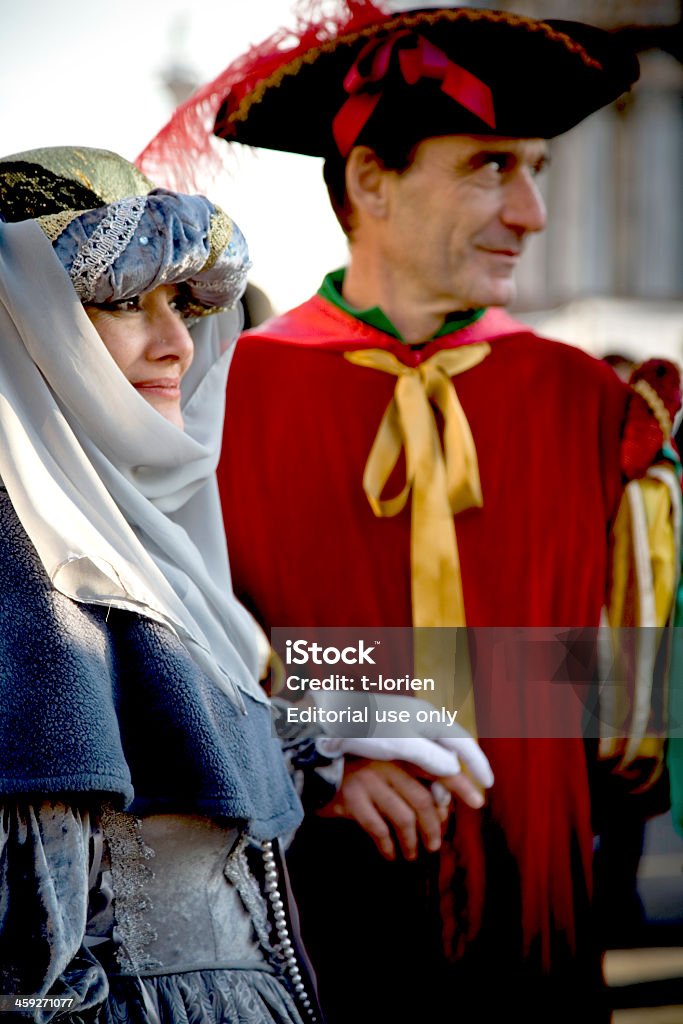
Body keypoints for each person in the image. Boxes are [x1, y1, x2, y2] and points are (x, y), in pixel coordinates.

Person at [139, 3, 682, 1021]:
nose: (529, 212)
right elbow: (169, 659)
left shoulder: (597, 406)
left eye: (536, 169)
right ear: (368, 182)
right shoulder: (220, 400)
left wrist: (353, 678)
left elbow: (616, 713)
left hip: (541, 942)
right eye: (487, 165)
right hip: (305, 925)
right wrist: (336, 739)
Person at [0, 146, 321, 1023]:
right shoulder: (26, 570)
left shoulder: (157, 517)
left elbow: (275, 676)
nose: (177, 342)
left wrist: (402, 704)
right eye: (119, 300)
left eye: (181, 300)